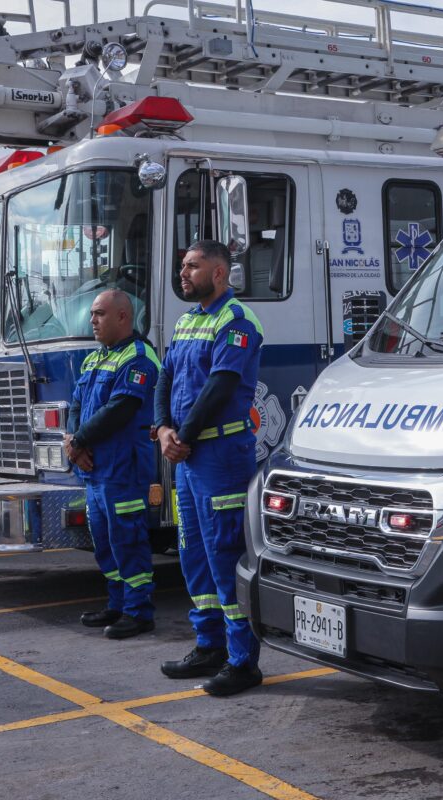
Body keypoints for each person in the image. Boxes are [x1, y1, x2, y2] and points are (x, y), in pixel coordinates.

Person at [156, 240, 264, 697]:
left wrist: (183, 436)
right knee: (193, 556)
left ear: (219, 273)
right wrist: (163, 428)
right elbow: (165, 377)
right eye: (182, 265)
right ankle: (209, 646)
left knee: (225, 557)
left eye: (193, 266)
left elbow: (221, 385)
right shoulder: (186, 321)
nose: (184, 272)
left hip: (219, 457)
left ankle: (243, 662)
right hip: (188, 457)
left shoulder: (236, 320)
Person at [65, 289, 161, 640]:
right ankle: (117, 604)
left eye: (100, 314)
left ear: (123, 316)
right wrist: (74, 443)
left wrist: (78, 442)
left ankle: (139, 612)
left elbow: (120, 409)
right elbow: (75, 404)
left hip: (123, 470)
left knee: (128, 541)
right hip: (94, 470)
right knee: (104, 542)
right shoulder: (95, 358)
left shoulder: (139, 357)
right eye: (92, 314)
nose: (92, 320)